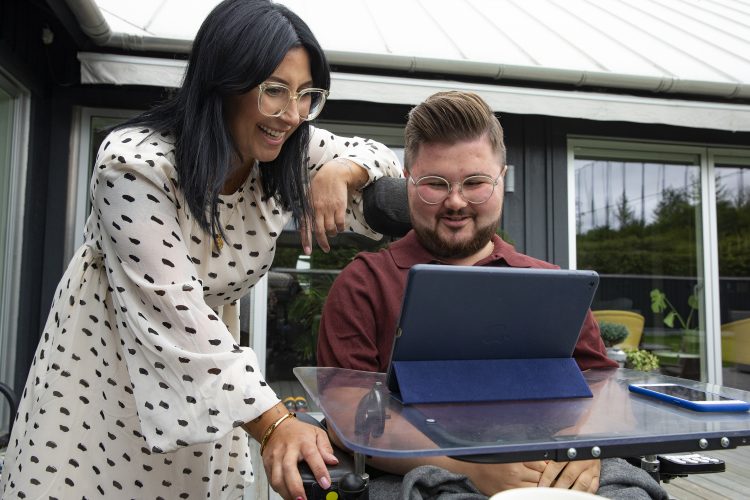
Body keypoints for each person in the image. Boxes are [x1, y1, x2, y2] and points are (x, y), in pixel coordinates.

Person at [0, 1, 401, 499]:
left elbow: (385, 159)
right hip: (103, 388)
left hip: (208, 397)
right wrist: (277, 423)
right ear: (224, 82)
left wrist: (342, 171)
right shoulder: (135, 167)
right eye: (274, 90)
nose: (292, 114)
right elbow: (179, 318)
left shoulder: (282, 147)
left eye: (306, 95)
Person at [317, 91, 667, 499]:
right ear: (408, 180)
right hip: (429, 472)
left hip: (553, 465)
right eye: (434, 184)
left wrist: (584, 447)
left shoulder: (548, 283)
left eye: (475, 183)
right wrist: (471, 469)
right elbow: (348, 416)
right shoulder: (364, 284)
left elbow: (605, 386)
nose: (455, 201)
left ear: (501, 179)